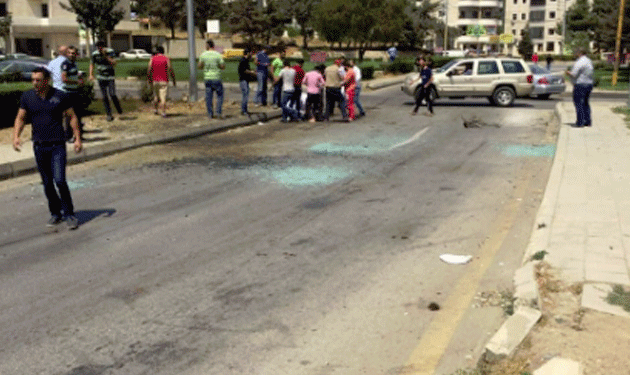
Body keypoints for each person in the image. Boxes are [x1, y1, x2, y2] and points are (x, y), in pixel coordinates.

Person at [12, 67, 82, 229]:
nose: (35, 83)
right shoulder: (27, 97)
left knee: (60, 180)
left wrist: (77, 138)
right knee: (47, 183)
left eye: (38, 80)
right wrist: (16, 136)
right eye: (33, 80)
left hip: (57, 145)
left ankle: (69, 213)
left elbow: (72, 116)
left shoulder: (60, 96)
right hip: (39, 146)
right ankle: (55, 213)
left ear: (47, 80)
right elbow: (20, 118)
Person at [90, 41, 123, 122]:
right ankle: (109, 114)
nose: (99, 49)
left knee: (112, 94)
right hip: (100, 77)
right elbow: (91, 64)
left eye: (100, 47)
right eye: (98, 47)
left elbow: (114, 63)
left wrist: (105, 55)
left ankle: (118, 108)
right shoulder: (94, 54)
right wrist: (91, 74)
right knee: (104, 96)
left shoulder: (110, 52)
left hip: (110, 77)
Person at [565, 48, 594, 127]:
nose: (575, 54)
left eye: (576, 52)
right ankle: (587, 121)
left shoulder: (579, 62)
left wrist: (568, 73)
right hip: (589, 83)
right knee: (586, 103)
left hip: (580, 84)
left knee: (579, 103)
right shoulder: (589, 61)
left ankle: (580, 122)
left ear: (579, 53)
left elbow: (574, 74)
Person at [60, 46, 84, 140]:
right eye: (69, 53)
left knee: (78, 114)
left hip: (75, 91)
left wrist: (80, 79)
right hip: (68, 92)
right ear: (67, 54)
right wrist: (76, 82)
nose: (71, 55)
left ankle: (78, 135)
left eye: (73, 53)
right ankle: (68, 135)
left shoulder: (75, 64)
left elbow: (75, 75)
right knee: (69, 115)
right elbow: (64, 79)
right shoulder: (65, 64)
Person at [198, 39, 225, 119]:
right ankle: (218, 112)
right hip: (216, 77)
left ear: (207, 46)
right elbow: (222, 66)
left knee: (209, 97)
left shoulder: (203, 55)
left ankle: (210, 114)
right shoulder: (217, 55)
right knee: (220, 95)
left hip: (207, 78)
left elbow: (199, 66)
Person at [147, 46, 176, 118]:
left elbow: (149, 69)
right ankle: (163, 112)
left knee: (156, 96)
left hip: (155, 80)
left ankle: (156, 110)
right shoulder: (166, 58)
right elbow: (170, 68)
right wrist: (173, 79)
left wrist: (149, 79)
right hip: (164, 80)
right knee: (163, 97)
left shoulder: (152, 58)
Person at [238, 48, 256, 116]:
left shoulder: (246, 60)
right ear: (247, 53)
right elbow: (244, 70)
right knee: (245, 94)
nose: (251, 54)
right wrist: (252, 72)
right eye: (251, 53)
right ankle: (244, 111)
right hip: (243, 80)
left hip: (245, 80)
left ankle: (245, 110)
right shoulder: (243, 60)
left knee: (246, 94)